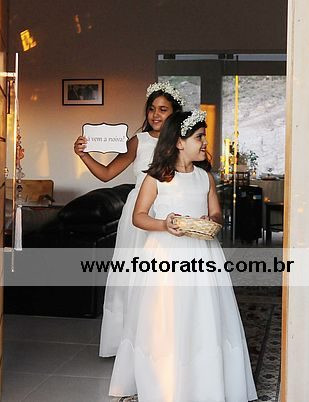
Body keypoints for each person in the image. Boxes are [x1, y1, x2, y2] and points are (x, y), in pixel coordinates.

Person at [109, 110, 258, 402]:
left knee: (202, 314)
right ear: (179, 142)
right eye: (199, 137)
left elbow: (216, 214)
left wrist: (211, 220)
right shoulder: (155, 178)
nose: (205, 143)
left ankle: (202, 379)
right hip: (165, 254)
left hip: (202, 254)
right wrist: (164, 224)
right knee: (167, 315)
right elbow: (139, 217)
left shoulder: (205, 178)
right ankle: (165, 378)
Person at [73, 81, 185, 357]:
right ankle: (129, 344)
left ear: (174, 112)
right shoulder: (139, 141)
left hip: (169, 210)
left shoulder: (182, 142)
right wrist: (83, 154)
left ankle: (163, 341)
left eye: (163, 109)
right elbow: (107, 173)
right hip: (138, 212)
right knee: (134, 274)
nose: (156, 115)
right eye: (152, 109)